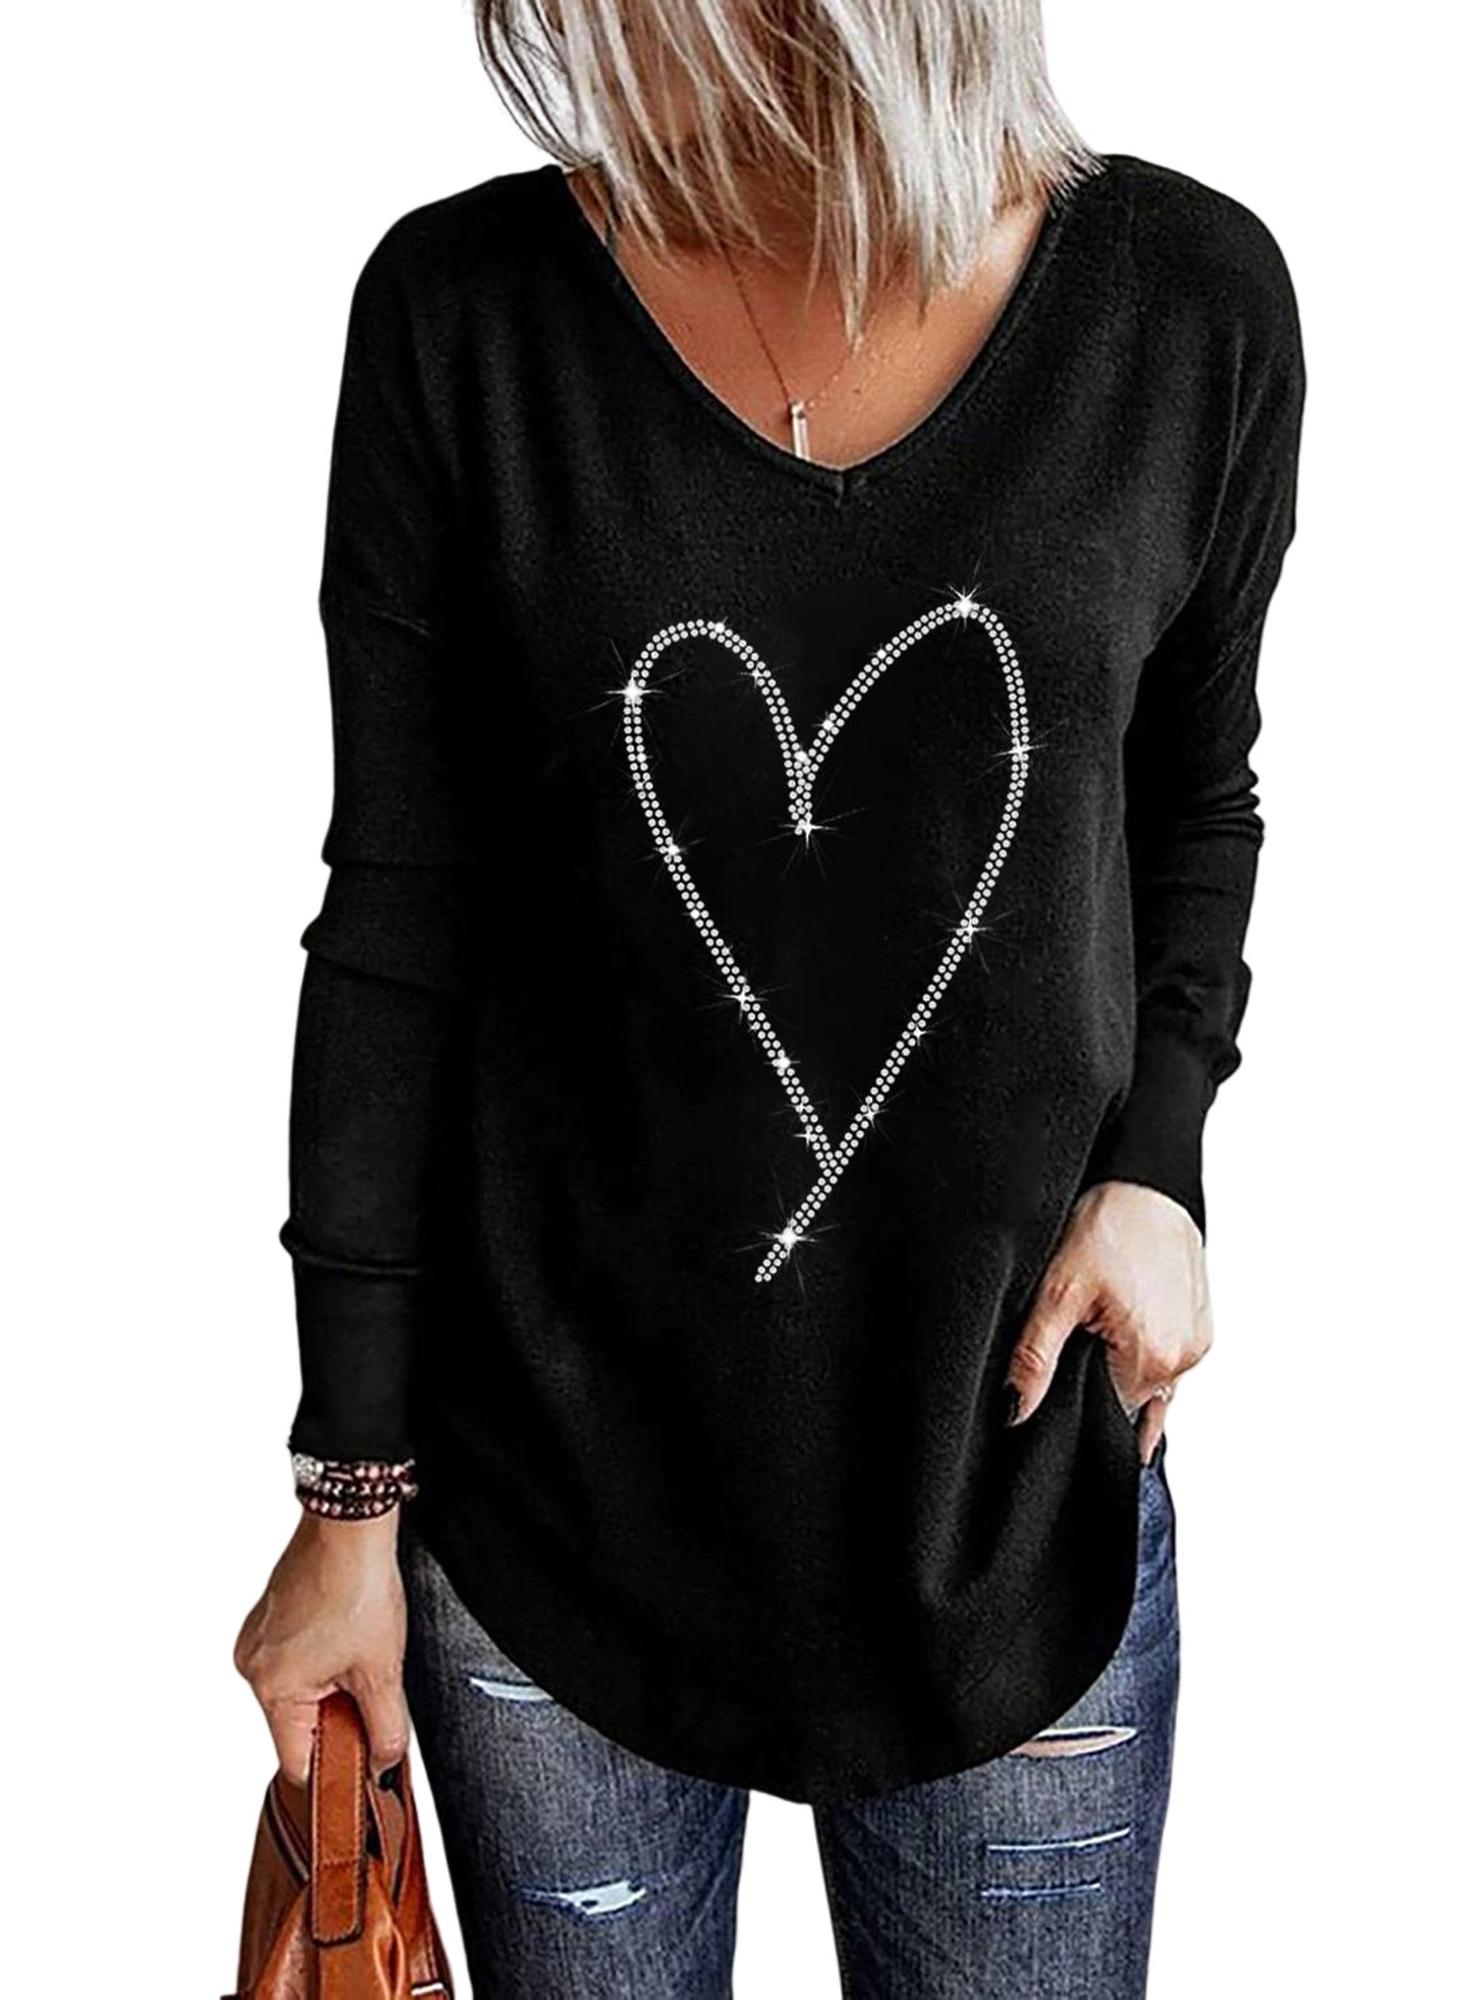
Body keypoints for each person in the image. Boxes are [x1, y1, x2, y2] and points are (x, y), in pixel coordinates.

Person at [234, 2, 1306, 1992]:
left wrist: (1159, 1165)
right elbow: (395, 923)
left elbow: (1194, 794)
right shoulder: (464, 321)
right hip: (550, 1533)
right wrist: (348, 1498)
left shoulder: (1184, 308)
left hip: (1008, 1516)